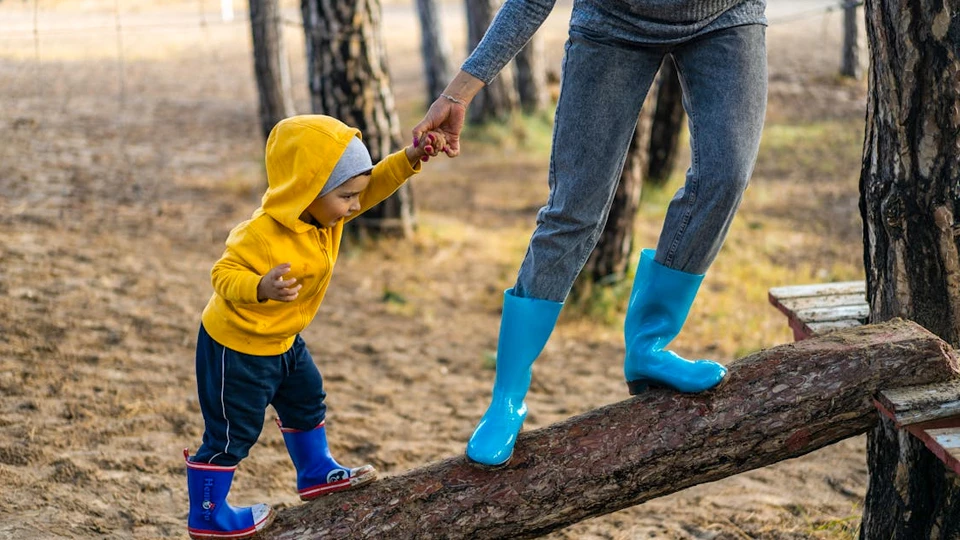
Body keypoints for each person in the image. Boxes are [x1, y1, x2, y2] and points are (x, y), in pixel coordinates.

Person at [413, 0, 768, 467]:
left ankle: (649, 346)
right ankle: (507, 399)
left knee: (725, 178)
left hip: (728, 15)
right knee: (573, 212)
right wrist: (460, 92)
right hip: (613, 22)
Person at [183, 114, 446, 540]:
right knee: (233, 433)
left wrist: (411, 157)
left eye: (354, 196)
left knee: (307, 399)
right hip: (238, 347)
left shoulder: (327, 214)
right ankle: (208, 514)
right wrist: (260, 286)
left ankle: (315, 472)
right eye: (346, 197)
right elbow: (221, 273)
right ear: (307, 190)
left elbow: (373, 185)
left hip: (284, 340)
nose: (355, 206)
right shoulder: (261, 234)